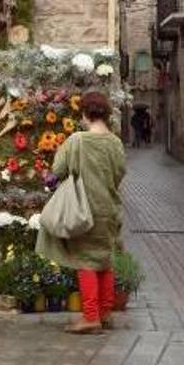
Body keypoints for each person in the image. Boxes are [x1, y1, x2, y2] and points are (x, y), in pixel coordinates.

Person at [36, 91, 126, 335]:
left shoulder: (77, 140)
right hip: (108, 208)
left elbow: (58, 169)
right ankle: (105, 313)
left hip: (84, 210)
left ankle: (90, 316)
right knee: (104, 260)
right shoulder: (115, 143)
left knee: (85, 261)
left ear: (85, 113)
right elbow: (119, 173)